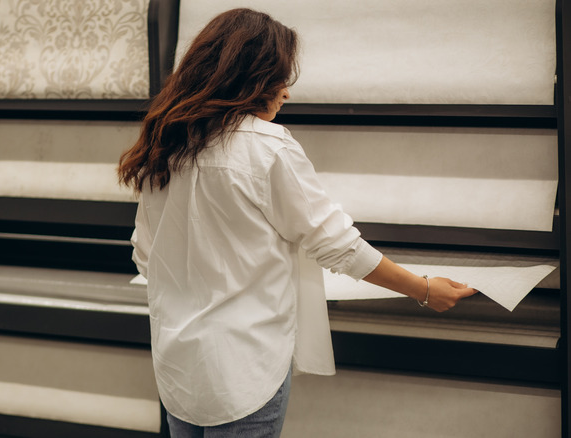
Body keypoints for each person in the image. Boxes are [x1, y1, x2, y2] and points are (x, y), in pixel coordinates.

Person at [117, 8, 477, 438]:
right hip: (245, 368)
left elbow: (145, 255)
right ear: (251, 78)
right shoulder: (267, 147)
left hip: (180, 367)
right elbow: (338, 244)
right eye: (280, 78)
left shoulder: (167, 146)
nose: (286, 93)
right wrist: (423, 289)